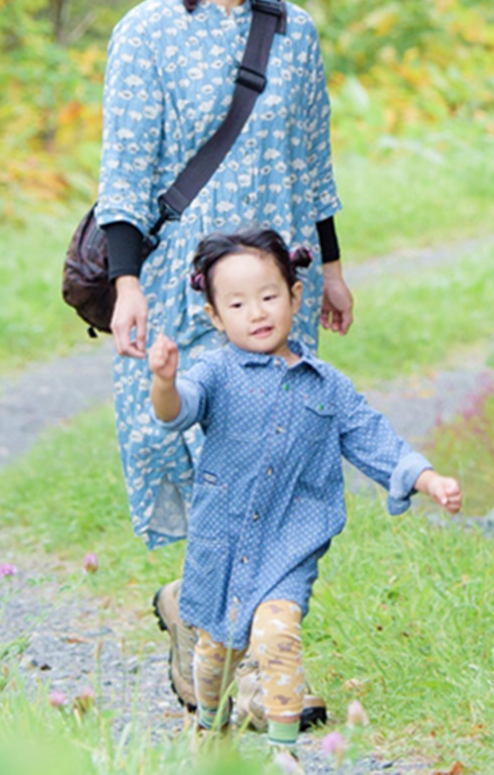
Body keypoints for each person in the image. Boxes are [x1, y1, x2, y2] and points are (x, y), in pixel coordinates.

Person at [96, 0, 356, 710]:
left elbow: (312, 160)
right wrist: (128, 284)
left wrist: (336, 265)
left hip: (283, 287)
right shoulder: (144, 35)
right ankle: (234, 648)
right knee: (212, 463)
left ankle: (233, 643)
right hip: (182, 285)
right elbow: (125, 172)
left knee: (274, 465)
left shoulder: (296, 31)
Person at [148, 229, 462, 752]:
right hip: (221, 541)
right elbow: (178, 408)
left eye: (270, 296)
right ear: (215, 317)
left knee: (277, 636)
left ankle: (282, 750)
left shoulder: (326, 385)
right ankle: (209, 730)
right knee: (215, 652)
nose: (257, 312)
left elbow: (372, 436)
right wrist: (163, 381)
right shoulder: (215, 372)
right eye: (238, 303)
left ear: (295, 297)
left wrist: (427, 478)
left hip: (289, 545)